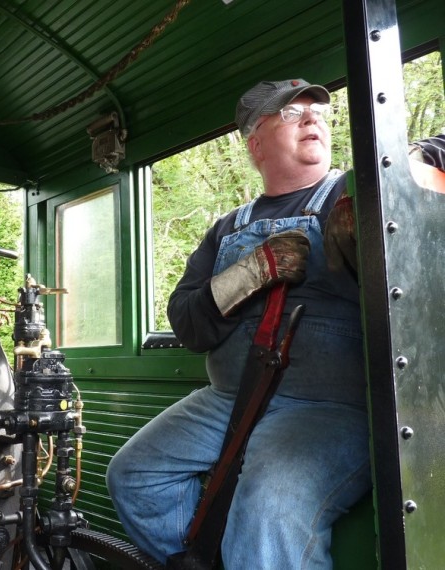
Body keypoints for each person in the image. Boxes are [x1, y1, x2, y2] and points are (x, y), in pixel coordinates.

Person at [106, 78, 445, 569]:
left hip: (330, 405)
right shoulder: (226, 229)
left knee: (268, 506)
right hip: (228, 399)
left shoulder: (357, 192)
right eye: (290, 113)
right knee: (133, 475)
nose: (311, 118)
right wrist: (244, 277)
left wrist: (405, 163)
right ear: (255, 143)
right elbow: (187, 325)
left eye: (317, 113)